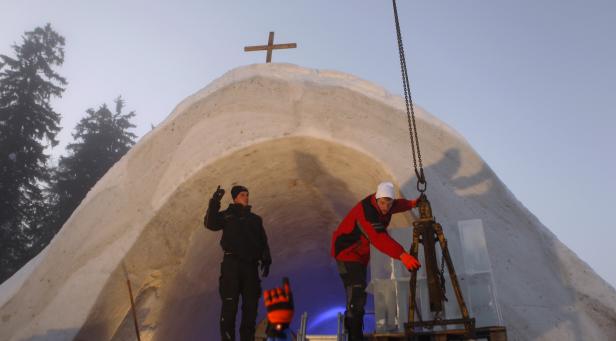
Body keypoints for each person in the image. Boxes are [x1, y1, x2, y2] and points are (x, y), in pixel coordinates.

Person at [331, 181, 422, 340]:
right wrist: (402, 255)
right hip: (347, 253)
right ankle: (354, 336)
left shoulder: (387, 204)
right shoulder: (367, 212)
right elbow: (379, 238)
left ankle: (353, 325)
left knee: (359, 294)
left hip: (359, 255)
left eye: (389, 203)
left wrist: (412, 203)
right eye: (382, 203)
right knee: (356, 292)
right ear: (376, 198)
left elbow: (397, 205)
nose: (385, 207)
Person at [205, 185, 272, 341]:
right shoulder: (228, 216)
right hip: (231, 266)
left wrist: (266, 260)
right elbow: (210, 223)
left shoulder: (255, 220)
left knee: (250, 308)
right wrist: (215, 201)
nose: (246, 197)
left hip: (250, 267)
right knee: (230, 306)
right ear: (235, 198)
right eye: (242, 194)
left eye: (247, 194)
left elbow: (263, 241)